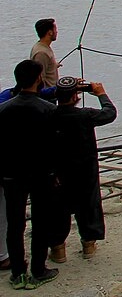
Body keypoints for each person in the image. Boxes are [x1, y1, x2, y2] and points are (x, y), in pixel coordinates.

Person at [0, 60, 59, 289]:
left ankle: (17, 272)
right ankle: (38, 269)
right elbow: (55, 145)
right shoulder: (48, 110)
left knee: (15, 225)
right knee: (41, 222)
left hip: (12, 175)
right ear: (38, 79)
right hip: (41, 174)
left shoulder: (4, 109)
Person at [49, 77, 115, 263]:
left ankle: (58, 249)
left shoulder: (49, 115)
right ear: (76, 96)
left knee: (58, 209)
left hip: (59, 171)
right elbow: (109, 113)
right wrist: (101, 94)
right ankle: (88, 244)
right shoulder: (85, 115)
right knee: (88, 205)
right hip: (85, 169)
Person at [30, 18, 59, 92]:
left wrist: (53, 65)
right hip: (47, 97)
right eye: (55, 29)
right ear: (50, 32)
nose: (57, 32)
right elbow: (40, 80)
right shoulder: (41, 53)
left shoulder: (44, 47)